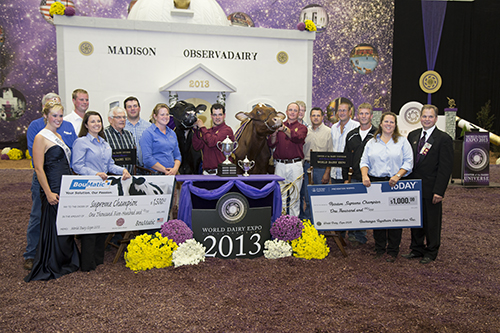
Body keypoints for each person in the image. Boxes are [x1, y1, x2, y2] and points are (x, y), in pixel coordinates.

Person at [24, 101, 80, 282]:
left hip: (65, 185)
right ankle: (51, 263)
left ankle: (64, 261)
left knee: (64, 224)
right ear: (46, 116)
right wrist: (47, 192)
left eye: (60, 115)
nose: (58, 119)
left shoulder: (59, 136)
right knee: (52, 225)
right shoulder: (41, 137)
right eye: (54, 115)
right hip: (52, 187)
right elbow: (39, 169)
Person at [72, 111, 131, 271]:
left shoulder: (104, 143)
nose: (97, 124)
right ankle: (86, 263)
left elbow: (109, 166)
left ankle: (97, 261)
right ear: (86, 125)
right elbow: (76, 165)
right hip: (88, 187)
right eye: (92, 121)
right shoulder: (81, 142)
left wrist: (123, 170)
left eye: (98, 121)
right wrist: (95, 174)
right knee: (89, 227)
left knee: (100, 225)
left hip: (104, 188)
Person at [403, 104, 453, 264]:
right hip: (414, 187)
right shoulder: (413, 135)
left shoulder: (443, 139)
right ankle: (416, 248)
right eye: (424, 116)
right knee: (415, 220)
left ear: (436, 119)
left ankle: (431, 251)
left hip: (432, 188)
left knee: (432, 222)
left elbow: (445, 168)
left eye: (430, 116)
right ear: (420, 118)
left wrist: (439, 191)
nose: (427, 119)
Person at [360, 112, 413, 262]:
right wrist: (365, 176)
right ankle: (379, 248)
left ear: (395, 125)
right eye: (386, 121)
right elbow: (364, 162)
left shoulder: (402, 142)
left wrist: (397, 175)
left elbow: (409, 163)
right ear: (381, 124)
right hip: (376, 182)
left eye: (392, 122)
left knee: (395, 218)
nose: (389, 124)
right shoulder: (372, 142)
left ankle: (393, 250)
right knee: (378, 217)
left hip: (395, 182)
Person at [342, 103, 377, 246]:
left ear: (371, 116)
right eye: (361, 114)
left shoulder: (377, 134)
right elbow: (346, 158)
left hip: (373, 177)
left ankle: (362, 235)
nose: (363, 116)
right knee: (354, 206)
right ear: (357, 115)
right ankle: (352, 233)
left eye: (366, 113)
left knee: (368, 207)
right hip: (355, 176)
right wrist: (345, 178)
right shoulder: (351, 135)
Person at [268, 102, 308, 216]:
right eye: (290, 110)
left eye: (295, 110)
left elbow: (297, 138)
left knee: (295, 197)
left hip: (295, 165)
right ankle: (281, 226)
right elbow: (271, 144)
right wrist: (275, 133)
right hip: (280, 165)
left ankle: (294, 226)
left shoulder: (302, 128)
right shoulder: (278, 126)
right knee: (281, 197)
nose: (292, 112)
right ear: (286, 112)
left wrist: (284, 129)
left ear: (299, 113)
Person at [299, 107, 332, 221]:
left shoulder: (328, 132)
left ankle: (320, 222)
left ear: (322, 117)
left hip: (321, 169)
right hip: (307, 167)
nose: (316, 118)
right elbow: (302, 151)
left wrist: (327, 172)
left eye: (318, 115)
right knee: (307, 197)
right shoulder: (305, 131)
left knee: (320, 198)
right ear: (310, 117)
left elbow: (331, 153)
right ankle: (308, 223)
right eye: (313, 115)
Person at [140, 103, 181, 175]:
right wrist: (165, 170)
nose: (165, 117)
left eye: (167, 114)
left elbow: (177, 156)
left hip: (172, 173)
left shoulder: (172, 133)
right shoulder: (148, 133)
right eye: (162, 115)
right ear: (155, 116)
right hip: (155, 174)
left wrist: (175, 169)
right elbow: (147, 159)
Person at [192, 103, 234, 175]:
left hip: (221, 173)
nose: (217, 117)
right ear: (211, 116)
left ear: (224, 115)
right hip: (206, 173)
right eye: (215, 115)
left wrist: (202, 127)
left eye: (220, 114)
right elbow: (197, 146)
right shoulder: (208, 132)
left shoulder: (227, 130)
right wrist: (197, 130)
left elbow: (211, 142)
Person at [330, 98, 359, 183]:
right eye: (339, 110)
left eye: (344, 110)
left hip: (348, 174)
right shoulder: (333, 128)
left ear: (350, 112)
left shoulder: (356, 127)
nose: (341, 113)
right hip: (334, 172)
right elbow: (333, 149)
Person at [104, 106, 137, 174]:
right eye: (118, 117)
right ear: (110, 119)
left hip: (129, 176)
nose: (122, 120)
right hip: (111, 177)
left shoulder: (129, 135)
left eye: (124, 117)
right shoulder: (104, 134)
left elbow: (134, 157)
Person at [124, 96, 150, 167]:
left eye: (135, 106)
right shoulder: (121, 127)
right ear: (125, 110)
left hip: (146, 168)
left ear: (139, 108)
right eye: (129, 107)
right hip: (127, 167)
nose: (132, 109)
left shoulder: (148, 127)